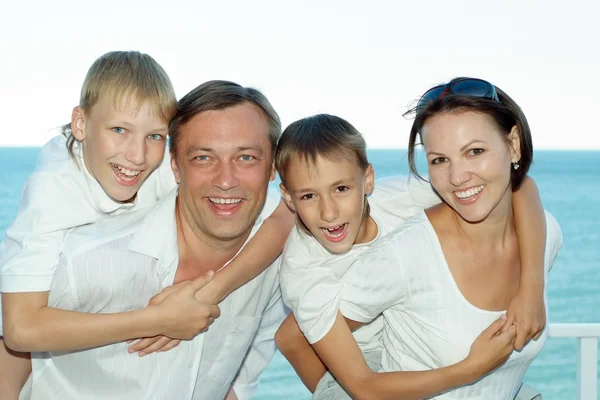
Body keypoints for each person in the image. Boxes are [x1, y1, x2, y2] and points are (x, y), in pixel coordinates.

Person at [0, 53, 292, 399]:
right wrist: (156, 319)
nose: (136, 155)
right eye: (119, 130)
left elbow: (286, 215)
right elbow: (18, 331)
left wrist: (213, 291)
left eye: (155, 135)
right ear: (80, 124)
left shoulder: (160, 170)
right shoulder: (54, 195)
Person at [304, 78, 561, 399]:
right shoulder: (407, 253)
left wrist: (531, 286)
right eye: (439, 159)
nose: (457, 177)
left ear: (513, 145)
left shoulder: (543, 234)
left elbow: (523, 189)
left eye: (475, 151)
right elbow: (297, 335)